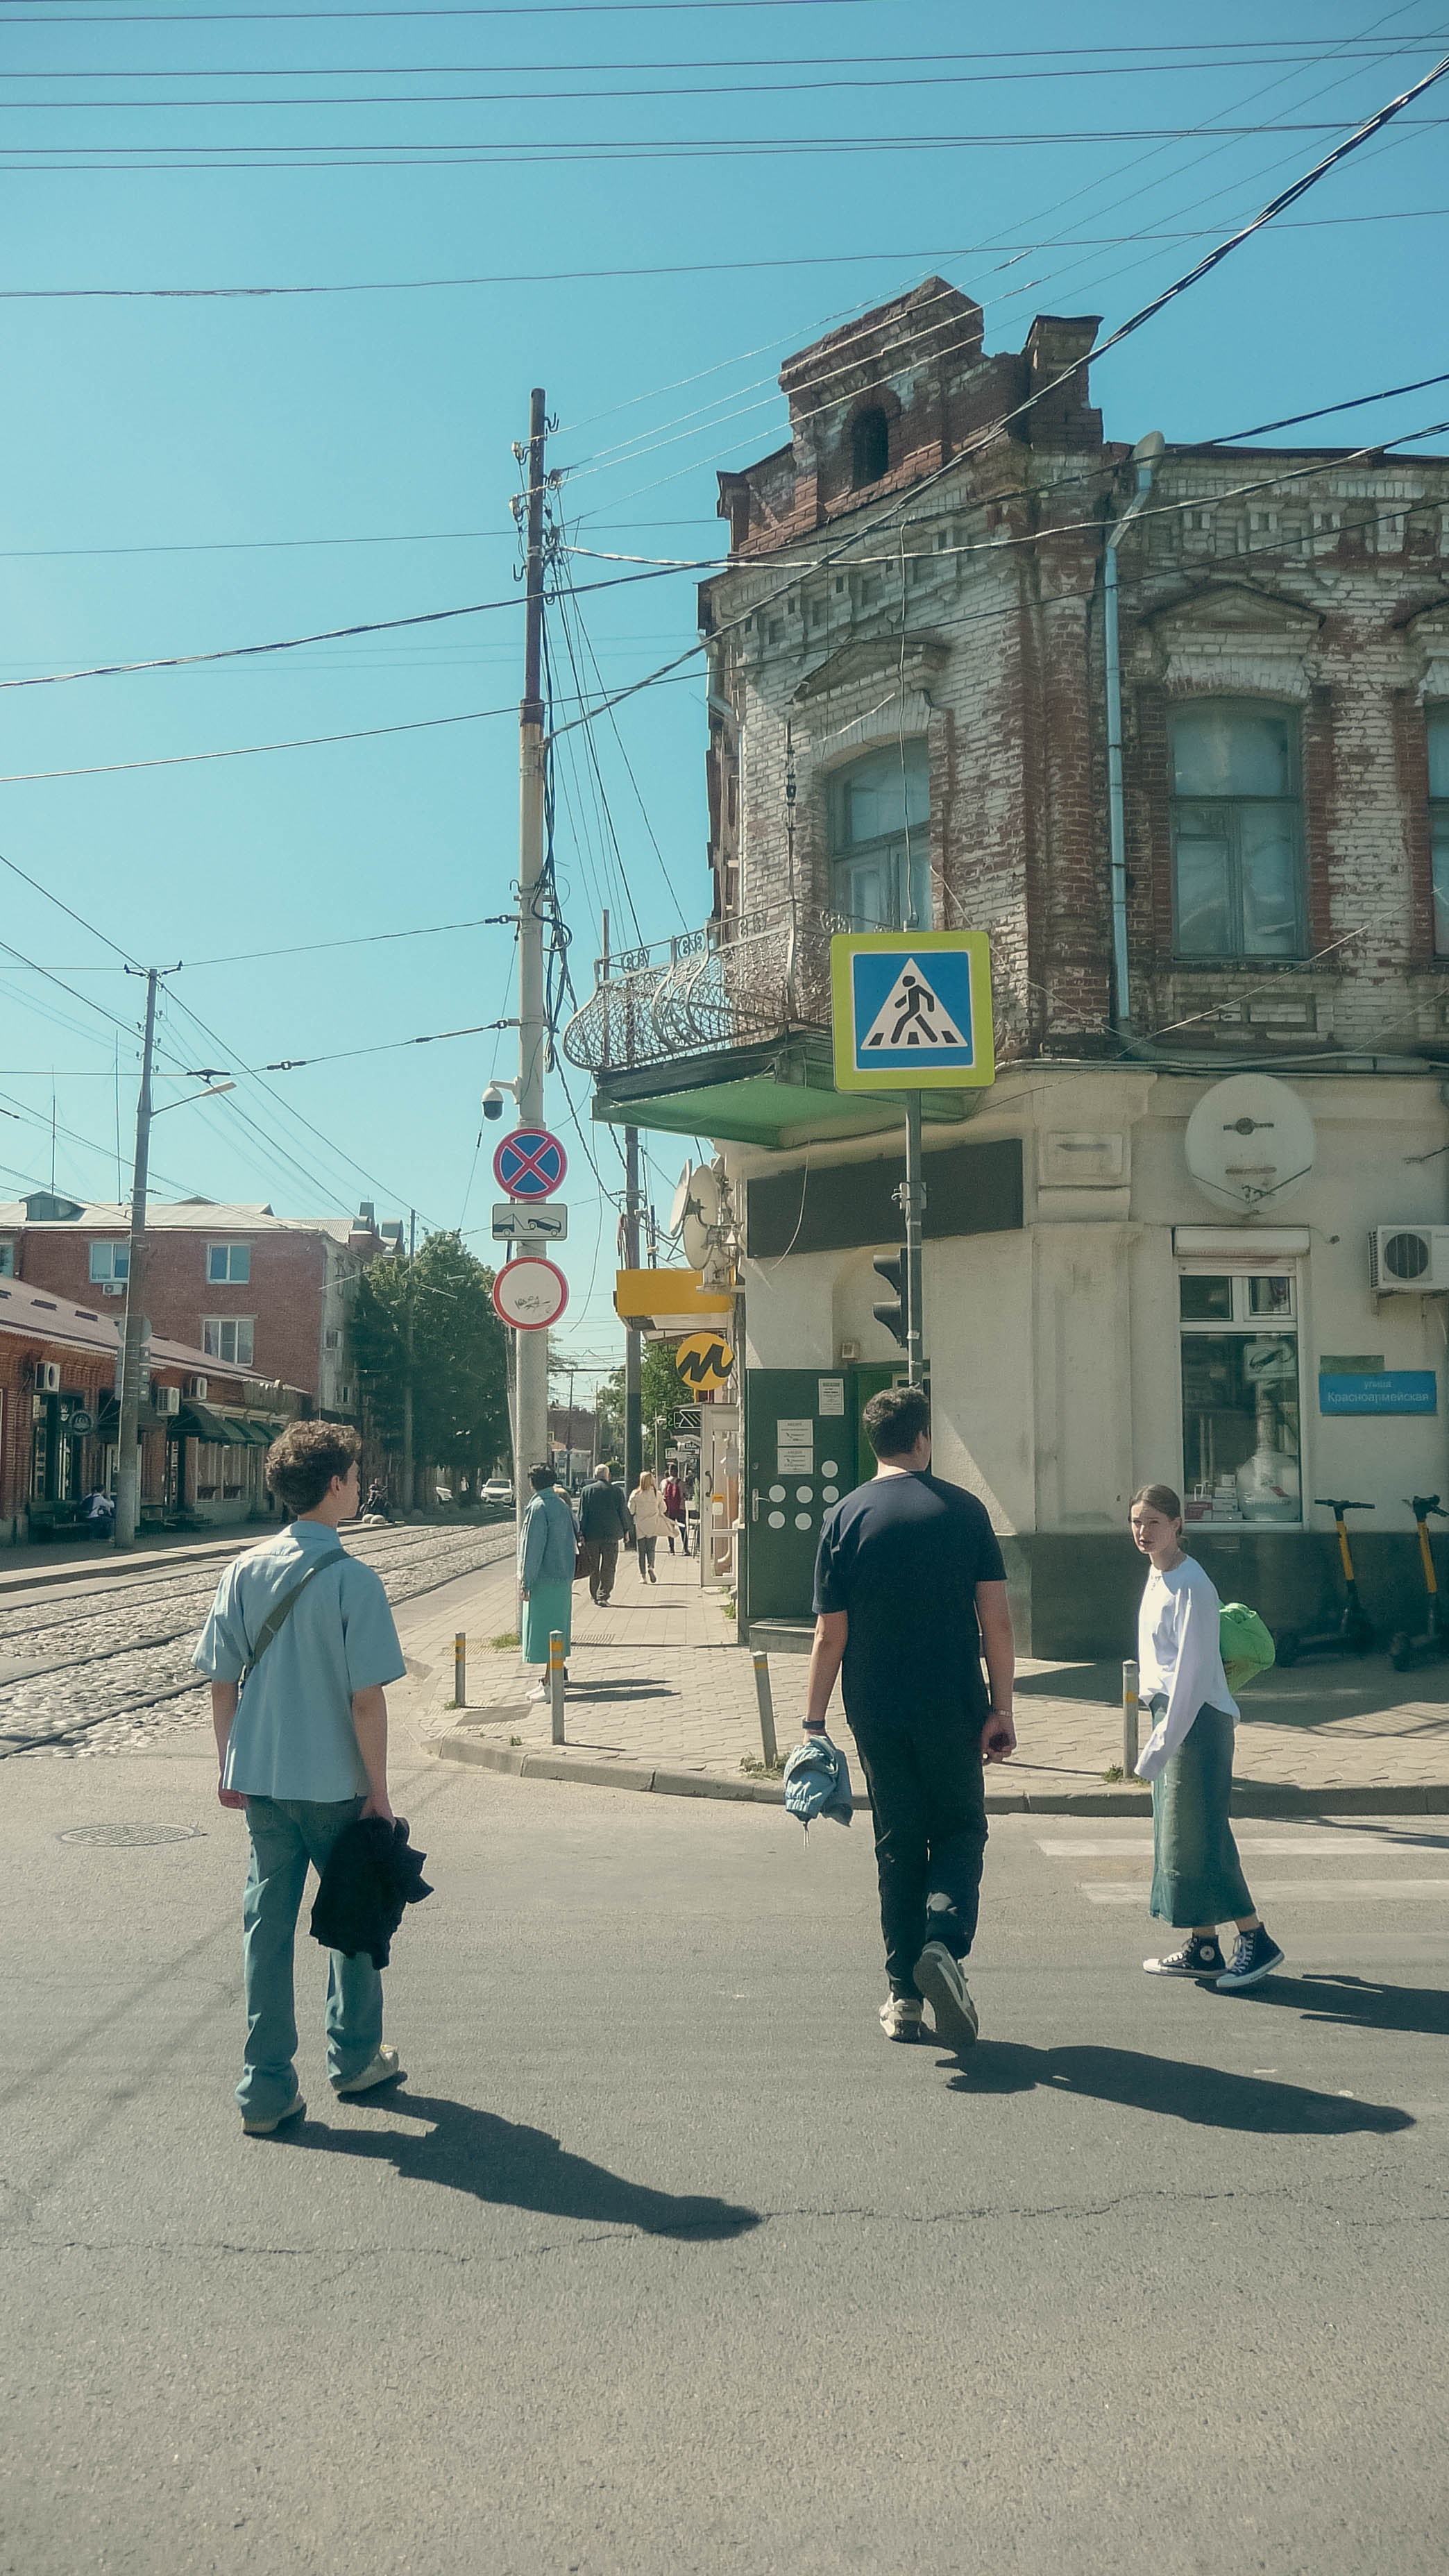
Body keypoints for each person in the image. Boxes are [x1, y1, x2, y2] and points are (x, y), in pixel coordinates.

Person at [194, 1421, 408, 2137]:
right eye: (353, 1472)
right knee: (352, 1916)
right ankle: (354, 2059)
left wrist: (230, 1763)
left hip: (262, 1778)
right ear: (336, 1486)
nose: (358, 1483)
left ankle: (264, 2088)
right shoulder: (353, 1580)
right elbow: (367, 1698)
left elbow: (222, 1683)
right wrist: (377, 1790)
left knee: (267, 1927)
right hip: (336, 1782)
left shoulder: (242, 1571)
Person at [806, 1382, 1016, 2052]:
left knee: (898, 1843)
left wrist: (813, 1724)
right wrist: (1002, 1707)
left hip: (875, 1707)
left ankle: (903, 1998)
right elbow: (997, 1620)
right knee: (958, 1830)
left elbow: (828, 1636)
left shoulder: (844, 1518)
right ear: (925, 1440)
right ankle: (944, 1945)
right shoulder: (966, 1512)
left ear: (875, 1445)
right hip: (954, 1704)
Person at [1130, 1482, 1285, 1990]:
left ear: (1178, 1525)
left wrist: (1157, 1748)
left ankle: (1256, 1938)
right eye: (1136, 1522)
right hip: (1171, 1717)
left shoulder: (1192, 1584)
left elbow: (1193, 1677)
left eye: (1154, 1522)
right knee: (1184, 1841)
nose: (1143, 1532)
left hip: (1195, 1723)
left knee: (1205, 1835)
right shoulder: (1158, 1576)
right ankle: (1202, 1945)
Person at [519, 1460, 579, 1695]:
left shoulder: (538, 1508)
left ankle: (551, 1686)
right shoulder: (562, 1506)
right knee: (557, 1631)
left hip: (543, 1579)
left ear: (532, 1483)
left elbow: (533, 1549)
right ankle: (549, 1680)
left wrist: (526, 1581)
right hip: (563, 1576)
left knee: (543, 1633)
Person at [577, 1463, 633, 1606]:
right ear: (608, 1476)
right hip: (611, 1535)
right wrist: (626, 1531)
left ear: (596, 1476)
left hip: (591, 1535)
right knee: (609, 1566)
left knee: (593, 1566)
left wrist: (580, 1533)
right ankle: (603, 1594)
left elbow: (582, 1514)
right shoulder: (617, 1491)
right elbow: (623, 1512)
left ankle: (595, 1593)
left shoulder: (586, 1491)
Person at [627, 1469, 668, 1584]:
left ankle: (643, 1576)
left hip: (640, 1525)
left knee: (641, 1551)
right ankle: (651, 1567)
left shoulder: (635, 1494)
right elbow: (664, 1508)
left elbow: (631, 1510)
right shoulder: (657, 1494)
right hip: (653, 1524)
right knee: (651, 1549)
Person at [661, 1470, 689, 1557]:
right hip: (681, 1509)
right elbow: (685, 1495)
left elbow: (662, 1494)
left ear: (669, 1472)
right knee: (683, 1529)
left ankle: (672, 1549)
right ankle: (686, 1549)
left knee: (670, 1529)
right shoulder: (681, 1483)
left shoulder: (664, 1482)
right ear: (677, 1472)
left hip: (669, 1509)